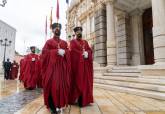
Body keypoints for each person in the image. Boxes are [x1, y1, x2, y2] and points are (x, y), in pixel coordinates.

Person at [41, 23, 71, 114]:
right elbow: (44, 53)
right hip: (52, 70)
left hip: (62, 69)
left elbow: (68, 53)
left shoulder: (64, 43)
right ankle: (52, 105)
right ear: (52, 30)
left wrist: (65, 52)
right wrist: (56, 52)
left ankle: (60, 104)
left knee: (61, 87)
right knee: (53, 87)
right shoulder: (48, 42)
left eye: (59, 28)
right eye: (55, 28)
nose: (57, 29)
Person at [69, 26, 93, 107]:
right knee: (78, 82)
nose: (79, 33)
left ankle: (86, 99)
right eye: (77, 32)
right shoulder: (73, 42)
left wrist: (88, 53)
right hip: (77, 67)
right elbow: (72, 51)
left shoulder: (85, 42)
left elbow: (89, 50)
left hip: (85, 67)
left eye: (80, 31)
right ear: (75, 33)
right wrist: (81, 54)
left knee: (86, 83)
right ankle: (78, 99)